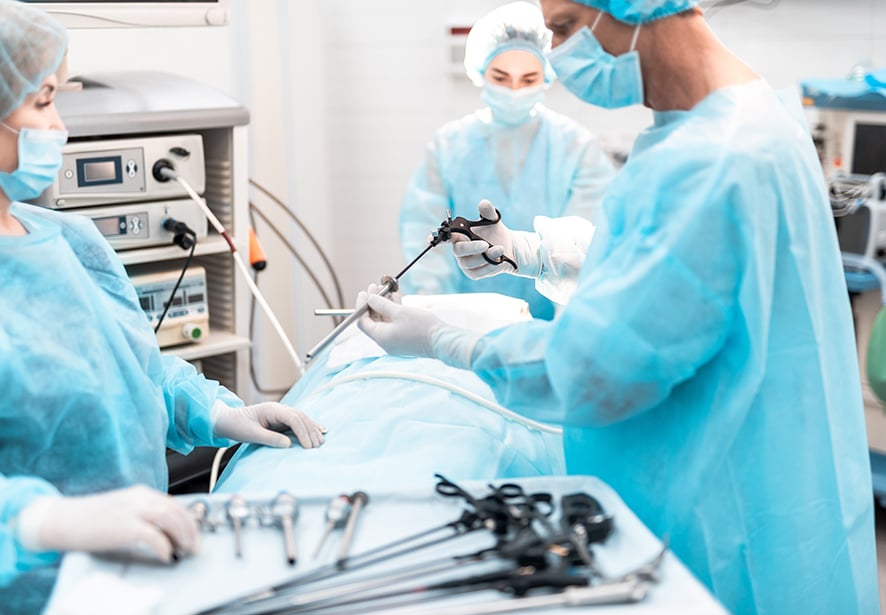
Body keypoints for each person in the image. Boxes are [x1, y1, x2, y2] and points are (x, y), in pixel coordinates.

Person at [358, 0, 880, 612]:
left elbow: (594, 367)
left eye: (565, 28)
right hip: (779, 481)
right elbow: (673, 269)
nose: (556, 53)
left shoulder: (714, 159)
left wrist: (446, 340)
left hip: (723, 518)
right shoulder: (744, 116)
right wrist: (532, 251)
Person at [0, 2, 325, 612]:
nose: (59, 125)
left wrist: (220, 412)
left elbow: (133, 371)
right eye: (43, 101)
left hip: (142, 568)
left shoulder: (70, 240)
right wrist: (42, 524)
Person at [398, 1, 614, 321]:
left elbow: (584, 242)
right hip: (464, 319)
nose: (514, 90)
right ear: (481, 72)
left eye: (528, 79)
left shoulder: (575, 146)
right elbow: (424, 232)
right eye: (501, 77)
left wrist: (565, 328)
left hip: (547, 320)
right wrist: (434, 313)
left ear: (547, 76)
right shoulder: (450, 145)